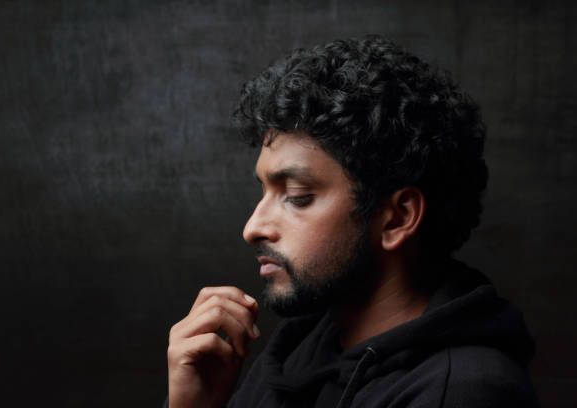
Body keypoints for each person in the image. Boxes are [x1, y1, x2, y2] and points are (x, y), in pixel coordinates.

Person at [165, 35, 539, 407]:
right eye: (263, 191)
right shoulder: (298, 353)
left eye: (297, 196)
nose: (253, 228)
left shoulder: (462, 393)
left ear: (397, 218)